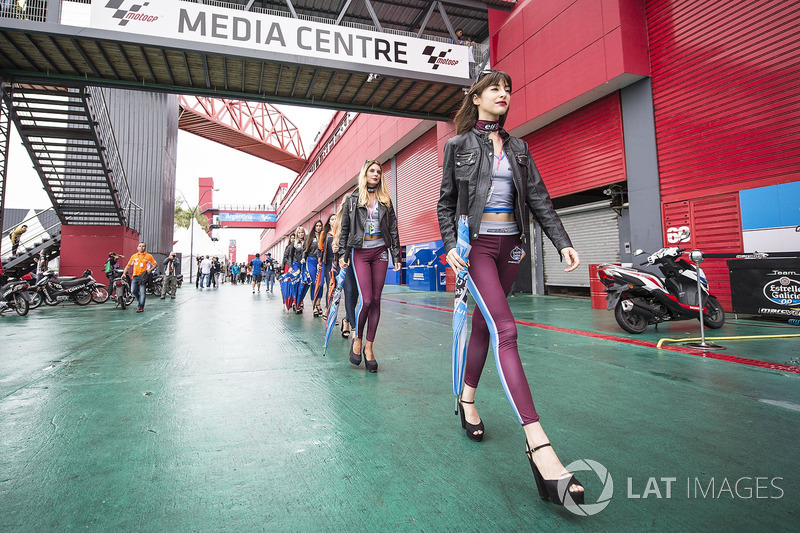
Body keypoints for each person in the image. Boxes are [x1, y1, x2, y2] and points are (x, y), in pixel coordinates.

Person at [437, 70, 584, 507]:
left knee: (484, 326)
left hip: (512, 248)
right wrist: (449, 246)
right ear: (477, 97)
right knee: (507, 329)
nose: (504, 94)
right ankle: (540, 447)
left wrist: (563, 242)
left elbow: (538, 197)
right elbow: (446, 201)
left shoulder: (519, 148)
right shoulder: (457, 145)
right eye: (495, 88)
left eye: (508, 89)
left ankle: (466, 399)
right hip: (478, 247)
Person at [339, 160, 402, 373]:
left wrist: (397, 256)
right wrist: (343, 254)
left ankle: (369, 347)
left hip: (381, 251)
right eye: (372, 171)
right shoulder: (352, 199)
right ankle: (357, 338)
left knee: (376, 300)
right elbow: (345, 229)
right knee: (365, 299)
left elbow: (393, 229)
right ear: (364, 174)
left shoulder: (385, 200)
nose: (375, 174)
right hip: (361, 252)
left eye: (379, 171)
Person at [123, 242, 157, 312]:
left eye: (143, 246)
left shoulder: (149, 256)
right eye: (140, 246)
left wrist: (150, 270)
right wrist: (124, 273)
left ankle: (141, 307)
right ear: (137, 248)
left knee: (142, 292)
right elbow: (128, 265)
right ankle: (140, 301)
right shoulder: (134, 256)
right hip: (135, 276)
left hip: (143, 277)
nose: (141, 247)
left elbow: (155, 264)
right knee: (133, 291)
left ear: (145, 248)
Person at [304, 219, 325, 316]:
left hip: (321, 261)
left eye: (320, 226)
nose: (318, 227)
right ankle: (314, 305)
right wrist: (303, 259)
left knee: (320, 283)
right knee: (314, 283)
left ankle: (319, 303)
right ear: (314, 227)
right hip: (312, 260)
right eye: (317, 225)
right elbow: (305, 250)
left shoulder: (324, 236)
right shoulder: (309, 237)